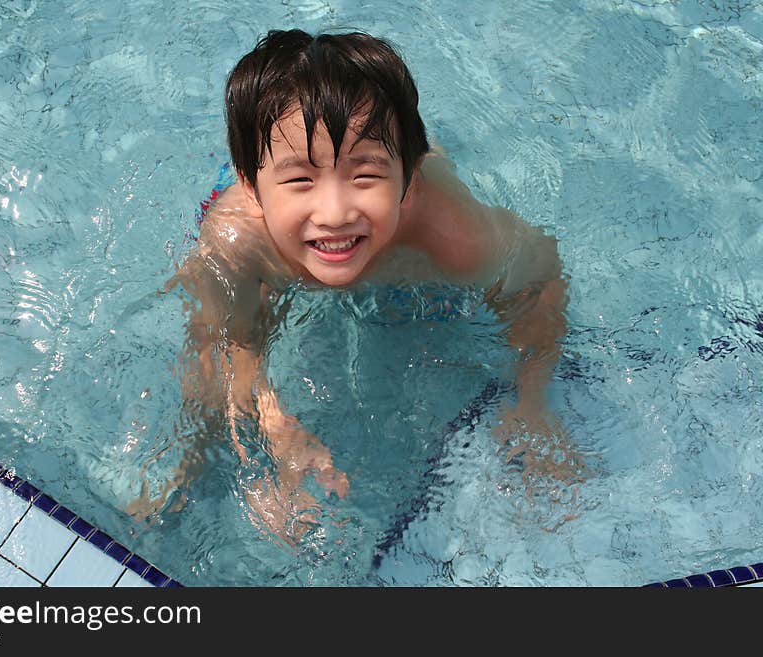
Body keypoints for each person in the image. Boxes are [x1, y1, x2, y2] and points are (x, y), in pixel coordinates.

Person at [138, 29, 583, 543]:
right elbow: (227, 342)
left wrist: (532, 400)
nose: (335, 213)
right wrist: (274, 429)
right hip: (268, 231)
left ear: (409, 180)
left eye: (365, 176)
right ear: (250, 185)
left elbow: (537, 279)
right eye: (301, 180)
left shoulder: (451, 235)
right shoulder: (239, 239)